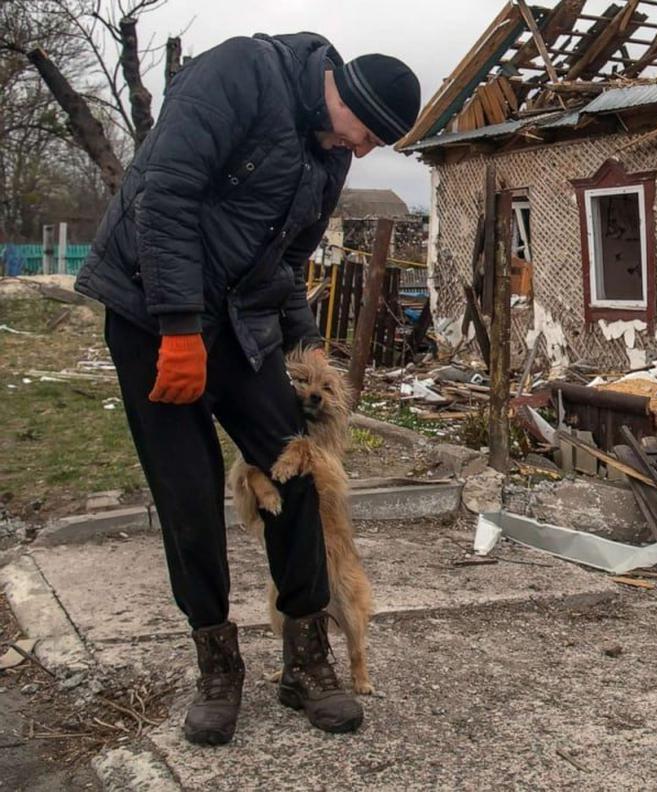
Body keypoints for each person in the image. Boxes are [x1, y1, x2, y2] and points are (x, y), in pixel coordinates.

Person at [74, 32, 420, 745]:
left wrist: (304, 348)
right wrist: (176, 331)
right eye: (369, 135)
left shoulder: (324, 156)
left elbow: (285, 262)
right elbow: (165, 195)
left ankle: (305, 661)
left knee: (297, 471)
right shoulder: (241, 74)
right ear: (346, 95)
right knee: (189, 494)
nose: (362, 152)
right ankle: (216, 663)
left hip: (240, 323)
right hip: (151, 312)